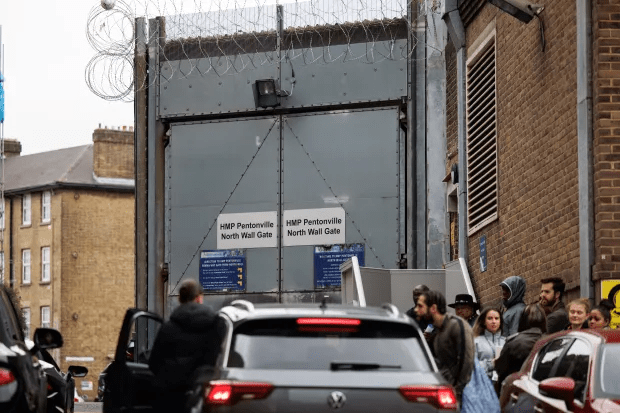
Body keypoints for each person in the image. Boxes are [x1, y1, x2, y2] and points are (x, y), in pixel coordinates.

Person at [149, 280, 226, 413]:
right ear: (198, 298)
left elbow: (154, 362)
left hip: (170, 396)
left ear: (180, 299)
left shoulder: (168, 328)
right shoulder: (216, 325)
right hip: (202, 393)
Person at [415, 290, 475, 403]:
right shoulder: (439, 330)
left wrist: (457, 389)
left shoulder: (457, 325)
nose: (416, 310)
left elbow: (466, 361)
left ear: (433, 308)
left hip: (460, 394)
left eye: (420, 306)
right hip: (446, 391)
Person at [495, 304, 546, 389]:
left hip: (519, 390)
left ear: (522, 320)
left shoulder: (512, 343)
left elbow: (500, 371)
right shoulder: (551, 341)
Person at [473, 306, 505, 386]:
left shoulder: (506, 341)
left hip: (503, 385)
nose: (494, 321)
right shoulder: (476, 341)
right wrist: (491, 364)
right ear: (483, 321)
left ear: (500, 321)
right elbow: (471, 367)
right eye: (490, 318)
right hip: (483, 385)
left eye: (496, 318)